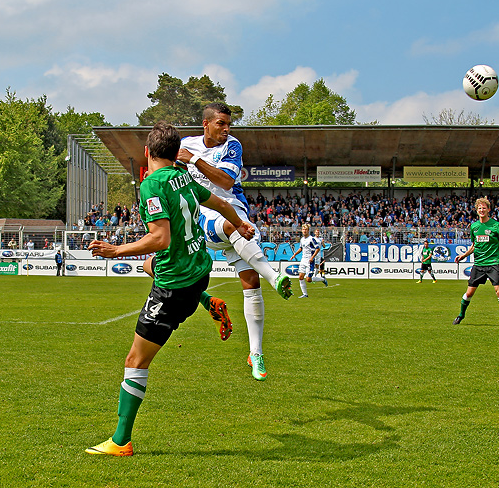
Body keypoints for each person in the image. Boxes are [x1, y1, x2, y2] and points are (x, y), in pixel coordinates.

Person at [84, 121, 255, 457]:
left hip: (174, 287)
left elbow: (160, 238)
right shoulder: (184, 175)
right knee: (149, 264)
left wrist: (114, 250)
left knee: (135, 360)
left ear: (148, 152)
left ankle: (120, 442)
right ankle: (206, 300)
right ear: (176, 152)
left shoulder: (153, 185)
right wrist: (241, 223)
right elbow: (221, 203)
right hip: (198, 272)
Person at [177, 102, 291, 381]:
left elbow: (227, 182)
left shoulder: (232, 146)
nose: (226, 129)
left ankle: (256, 353)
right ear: (206, 123)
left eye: (229, 125)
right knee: (230, 228)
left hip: (235, 209)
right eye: (221, 124)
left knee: (251, 284)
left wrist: (193, 160)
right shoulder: (185, 143)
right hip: (203, 214)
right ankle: (274, 277)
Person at [453, 197, 499, 327]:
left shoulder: (495, 225)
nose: (482, 210)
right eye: (479, 208)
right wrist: (464, 255)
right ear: (477, 210)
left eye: (484, 208)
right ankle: (461, 315)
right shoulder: (474, 226)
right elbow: (475, 245)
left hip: (494, 262)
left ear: (488, 210)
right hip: (479, 264)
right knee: (469, 292)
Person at [288, 223, 328, 298]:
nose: (304, 231)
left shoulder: (311, 239)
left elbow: (318, 248)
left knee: (308, 279)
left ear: (308, 230)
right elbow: (301, 248)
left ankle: (322, 279)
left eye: (306, 229)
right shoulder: (302, 239)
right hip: (303, 260)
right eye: (303, 229)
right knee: (300, 276)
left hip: (310, 261)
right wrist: (295, 254)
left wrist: (312, 257)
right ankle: (305, 294)